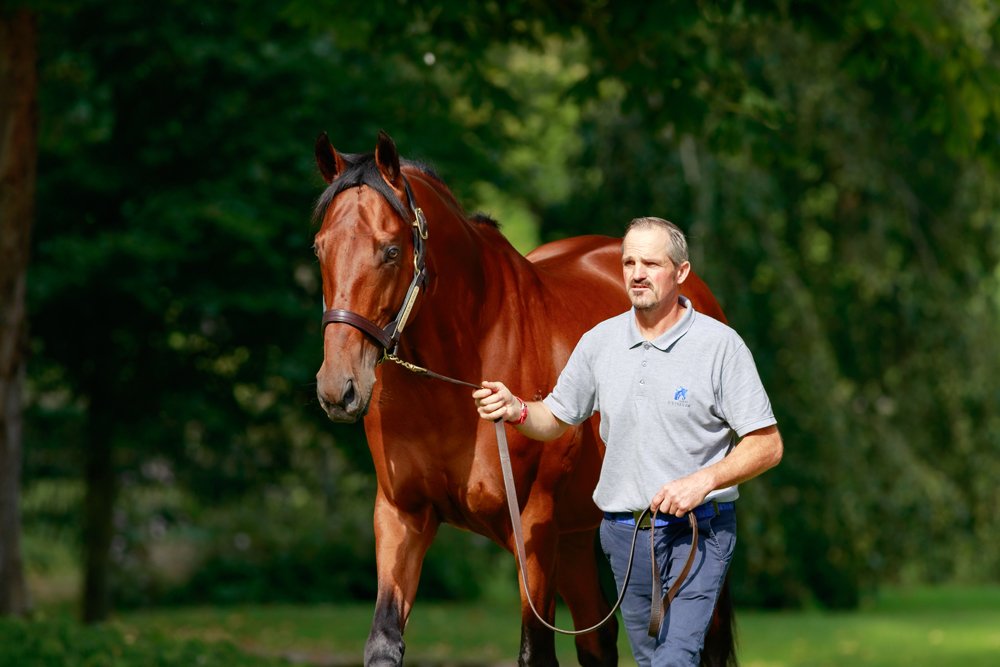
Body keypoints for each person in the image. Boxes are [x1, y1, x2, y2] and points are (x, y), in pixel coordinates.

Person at [473, 216, 783, 667]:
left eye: (651, 263)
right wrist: (516, 408)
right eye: (629, 263)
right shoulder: (599, 342)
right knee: (650, 659)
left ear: (681, 272)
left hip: (698, 532)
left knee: (673, 660)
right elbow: (555, 418)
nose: (637, 273)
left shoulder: (720, 347)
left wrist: (702, 482)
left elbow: (767, 444)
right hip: (625, 536)